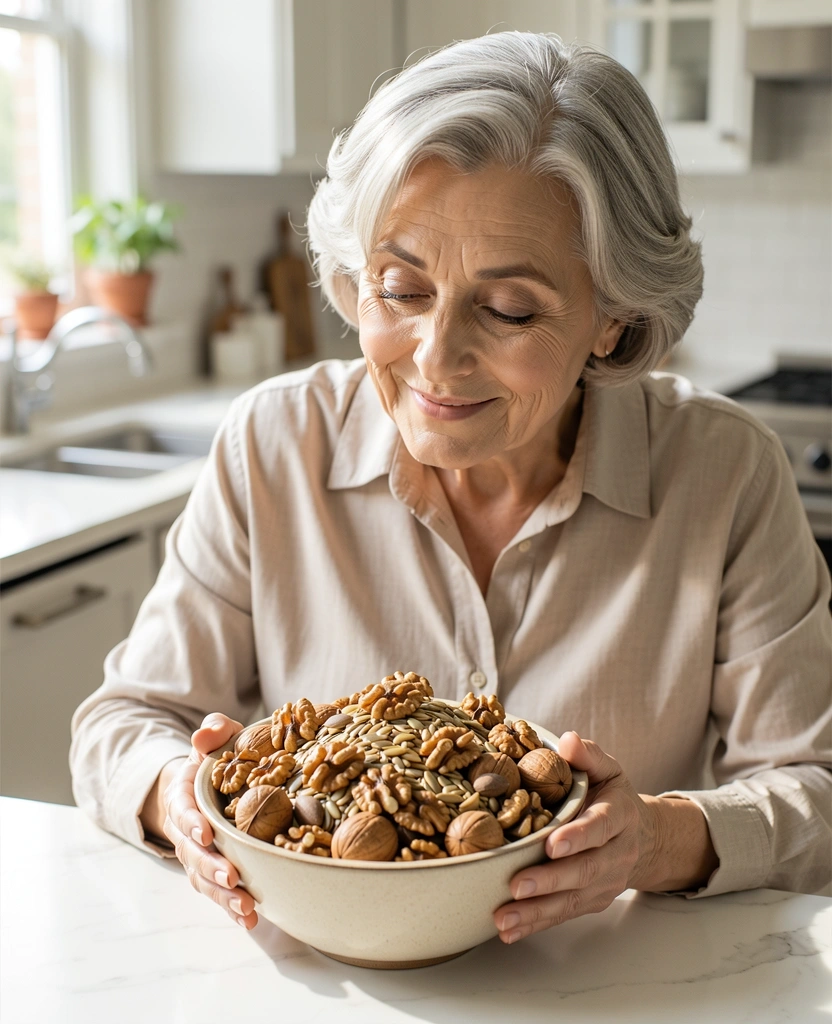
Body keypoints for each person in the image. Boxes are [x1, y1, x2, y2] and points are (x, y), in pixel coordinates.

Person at [71, 32, 832, 944]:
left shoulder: (724, 471)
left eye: (508, 310)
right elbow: (124, 723)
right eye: (399, 290)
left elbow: (814, 791)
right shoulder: (272, 444)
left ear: (613, 317)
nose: (436, 358)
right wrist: (179, 803)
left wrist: (654, 840)